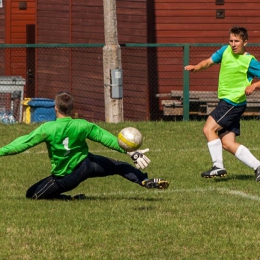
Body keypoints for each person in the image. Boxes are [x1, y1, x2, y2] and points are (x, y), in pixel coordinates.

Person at [0, 92, 169, 200]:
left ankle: (70, 199)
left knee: (32, 195)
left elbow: (23, 143)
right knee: (119, 166)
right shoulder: (82, 125)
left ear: (56, 108)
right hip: (88, 164)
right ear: (72, 110)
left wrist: (2, 151)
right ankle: (145, 180)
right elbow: (106, 138)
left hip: (66, 177)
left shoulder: (47, 128)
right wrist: (130, 151)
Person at [184, 25, 260, 180]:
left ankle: (218, 166)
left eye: (237, 41)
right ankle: (258, 167)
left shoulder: (249, 61)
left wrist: (254, 85)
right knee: (227, 143)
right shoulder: (224, 51)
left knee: (208, 129)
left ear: (245, 42)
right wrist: (196, 67)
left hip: (232, 102)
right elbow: (209, 61)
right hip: (228, 102)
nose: (233, 44)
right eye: (231, 40)